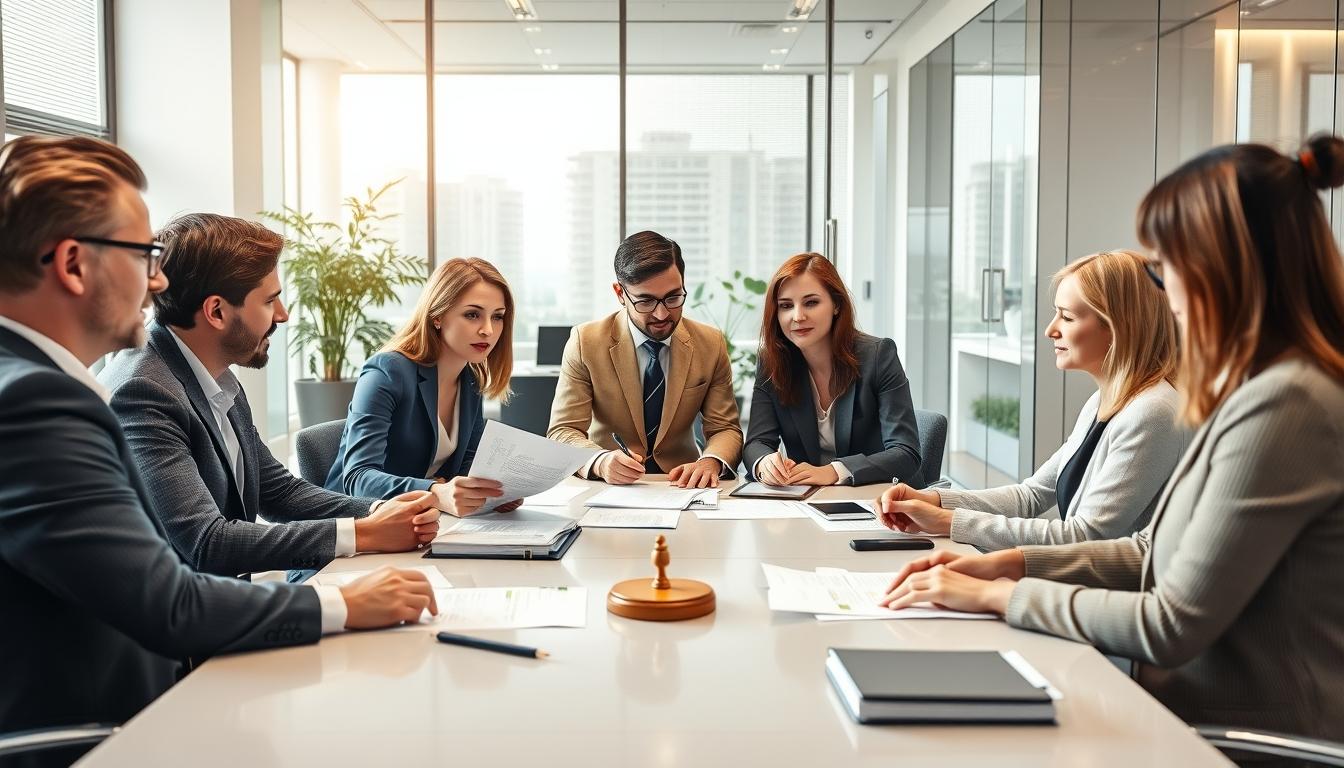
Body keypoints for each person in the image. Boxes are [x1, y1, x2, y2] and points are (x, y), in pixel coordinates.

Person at [879, 135, 1344, 742]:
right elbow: (1152, 550)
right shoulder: (1257, 389)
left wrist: (997, 596)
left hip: (1238, 738)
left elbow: (1170, 623)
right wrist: (1008, 564)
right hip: (1176, 709)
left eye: (1165, 265)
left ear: (1223, 268)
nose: (1164, 288)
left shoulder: (1288, 403)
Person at [0, 136, 435, 746]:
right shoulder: (38, 403)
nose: (156, 282)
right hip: (120, 726)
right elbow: (170, 596)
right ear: (74, 264)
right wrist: (346, 605)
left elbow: (270, 488)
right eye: (144, 256)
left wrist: (380, 517)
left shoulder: (45, 384)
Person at [99, 213, 439, 580]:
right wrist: (364, 533)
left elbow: (277, 492)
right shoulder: (144, 392)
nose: (283, 314)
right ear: (216, 311)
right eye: (269, 301)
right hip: (179, 626)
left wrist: (377, 512)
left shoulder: (214, 373)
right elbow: (206, 543)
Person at [876, 250, 1188, 548]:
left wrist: (948, 521)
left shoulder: (1152, 413)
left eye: (1066, 317)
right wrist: (934, 500)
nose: (1050, 330)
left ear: (1120, 327)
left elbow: (1085, 536)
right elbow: (1032, 495)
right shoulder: (1103, 401)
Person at [326, 257, 521, 517]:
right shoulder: (386, 372)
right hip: (361, 523)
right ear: (438, 316)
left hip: (424, 521)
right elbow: (358, 478)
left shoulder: (470, 380)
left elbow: (464, 468)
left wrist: (490, 492)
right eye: (472, 315)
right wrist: (435, 491)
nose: (488, 330)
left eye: (497, 317)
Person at [547, 230, 743, 487]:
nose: (662, 314)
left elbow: (725, 428)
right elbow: (562, 431)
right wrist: (600, 461)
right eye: (645, 301)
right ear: (620, 294)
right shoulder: (586, 342)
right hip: (608, 485)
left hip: (682, 484)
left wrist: (711, 462)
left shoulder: (710, 343)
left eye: (673, 297)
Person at [743, 252, 920, 486]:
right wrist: (764, 462)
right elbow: (756, 442)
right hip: (809, 503)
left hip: (883, 500)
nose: (797, 316)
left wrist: (836, 471)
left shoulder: (878, 356)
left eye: (811, 302)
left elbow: (906, 453)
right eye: (786, 306)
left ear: (836, 304)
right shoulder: (772, 362)